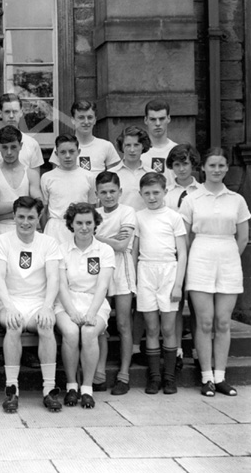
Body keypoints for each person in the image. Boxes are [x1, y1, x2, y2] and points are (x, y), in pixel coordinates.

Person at [180, 148, 251, 397]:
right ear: (203, 168)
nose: (217, 170)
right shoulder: (192, 199)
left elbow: (243, 237)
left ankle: (220, 376)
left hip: (229, 259)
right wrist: (198, 257)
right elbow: (185, 237)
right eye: (212, 165)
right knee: (205, 320)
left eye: (221, 166)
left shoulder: (236, 199)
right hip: (200, 257)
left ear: (226, 168)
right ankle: (206, 376)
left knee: (222, 321)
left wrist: (227, 255)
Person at [0, 196, 62, 412]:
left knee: (46, 325)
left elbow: (54, 279)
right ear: (14, 216)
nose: (25, 222)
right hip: (10, 302)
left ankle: (49, 390)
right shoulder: (2, 241)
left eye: (31, 217)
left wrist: (47, 306)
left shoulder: (48, 242)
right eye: (21, 216)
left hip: (39, 302)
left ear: (39, 217)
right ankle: (12, 390)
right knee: (13, 326)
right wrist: (9, 306)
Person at [55, 203, 115, 409]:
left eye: (88, 222)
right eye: (79, 223)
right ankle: (72, 386)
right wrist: (71, 312)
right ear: (71, 224)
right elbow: (61, 285)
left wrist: (91, 313)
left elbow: (103, 286)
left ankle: (87, 388)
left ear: (95, 223)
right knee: (71, 332)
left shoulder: (104, 250)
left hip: (95, 303)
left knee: (89, 333)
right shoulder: (61, 249)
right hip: (67, 302)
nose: (84, 227)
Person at [133, 172, 187, 395]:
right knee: (152, 328)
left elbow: (182, 253)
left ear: (165, 192)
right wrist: (136, 282)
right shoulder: (138, 216)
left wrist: (177, 284)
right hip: (146, 271)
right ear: (141, 194)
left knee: (167, 327)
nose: (152, 197)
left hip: (168, 271)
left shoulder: (174, 217)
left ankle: (170, 377)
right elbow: (134, 252)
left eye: (156, 192)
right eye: (147, 193)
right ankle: (154, 378)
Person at [94, 171, 137, 395]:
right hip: (99, 269)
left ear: (120, 192)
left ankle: (124, 374)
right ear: (97, 193)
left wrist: (95, 238)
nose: (108, 196)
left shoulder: (127, 211)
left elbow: (121, 246)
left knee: (122, 323)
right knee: (100, 322)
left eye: (112, 191)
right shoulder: (94, 213)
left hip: (121, 268)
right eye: (104, 192)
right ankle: (99, 372)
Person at [165, 143, 202, 370]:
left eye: (185, 164)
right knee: (175, 304)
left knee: (198, 305)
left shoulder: (202, 192)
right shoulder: (167, 193)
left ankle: (199, 351)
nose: (181, 169)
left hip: (197, 254)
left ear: (193, 164)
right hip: (172, 255)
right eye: (176, 164)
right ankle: (176, 349)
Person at [0, 125, 42, 237]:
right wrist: (26, 205)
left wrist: (2, 215)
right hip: (0, 233)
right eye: (5, 147)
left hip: (27, 231)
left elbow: (39, 205)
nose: (9, 152)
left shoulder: (31, 174)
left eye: (13, 147)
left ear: (21, 146)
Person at [40, 134, 96, 244]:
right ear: (56, 154)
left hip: (80, 228)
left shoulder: (89, 177)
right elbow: (44, 210)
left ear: (78, 152)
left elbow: (92, 208)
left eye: (71, 151)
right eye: (63, 152)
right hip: (54, 230)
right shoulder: (47, 177)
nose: (67, 156)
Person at [48, 101, 120, 173]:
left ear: (95, 120)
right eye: (81, 117)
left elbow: (115, 178)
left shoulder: (106, 146)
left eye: (90, 117)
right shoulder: (63, 146)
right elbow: (56, 177)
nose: (86, 122)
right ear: (73, 120)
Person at [0, 93, 44, 178]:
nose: (11, 116)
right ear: (0, 113)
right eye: (7, 112)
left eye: (15, 111)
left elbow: (35, 179)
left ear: (21, 113)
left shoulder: (32, 144)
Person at [111, 126, 153, 212]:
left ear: (143, 146)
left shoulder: (152, 174)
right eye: (128, 145)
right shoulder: (111, 174)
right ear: (122, 147)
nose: (132, 150)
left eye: (136, 145)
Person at [141, 99, 178, 179]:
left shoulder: (177, 150)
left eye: (161, 119)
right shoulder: (137, 151)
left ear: (168, 119)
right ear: (145, 120)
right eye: (153, 119)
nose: (157, 123)